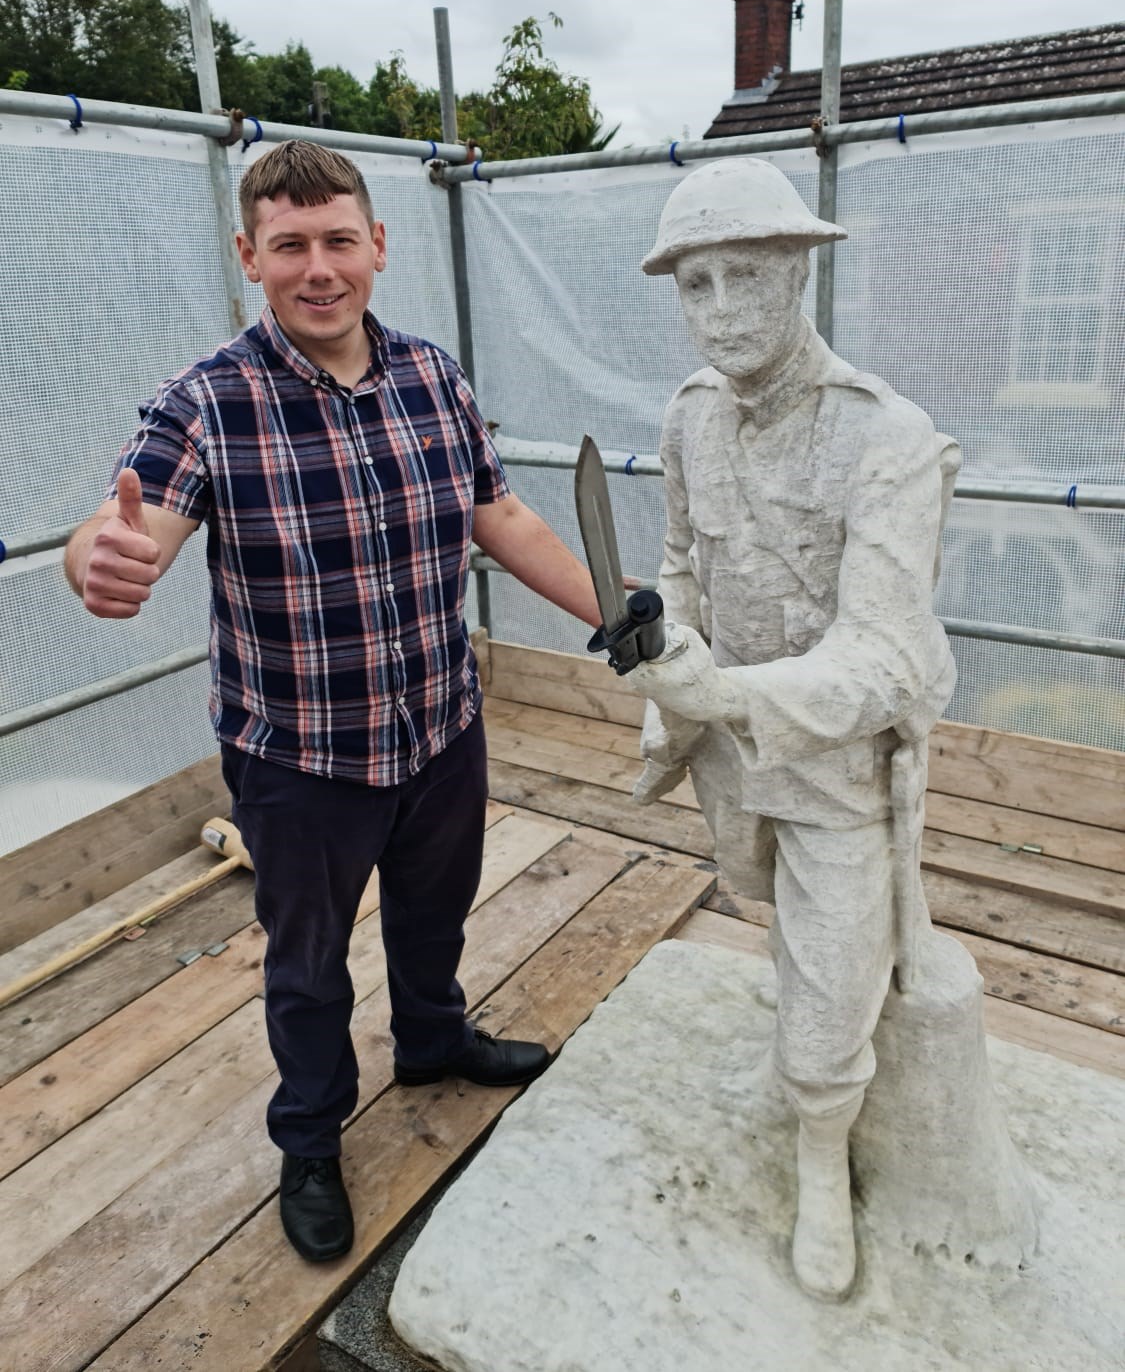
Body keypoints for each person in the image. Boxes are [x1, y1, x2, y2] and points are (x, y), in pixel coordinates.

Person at [64, 140, 601, 1263]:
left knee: (432, 913)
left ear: (378, 247)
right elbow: (134, 523)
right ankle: (310, 1138)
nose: (320, 269)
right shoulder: (206, 401)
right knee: (306, 965)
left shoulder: (432, 376)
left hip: (439, 725)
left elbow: (496, 515)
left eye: (339, 241)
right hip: (301, 757)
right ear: (250, 256)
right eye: (292, 245)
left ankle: (433, 1042)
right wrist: (100, 557)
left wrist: (614, 605)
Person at [628, 158, 960, 1301]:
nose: (718, 311)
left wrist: (729, 694)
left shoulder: (888, 436)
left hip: (834, 765)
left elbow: (886, 654)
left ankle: (824, 1149)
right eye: (696, 284)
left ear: (799, 272)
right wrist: (661, 640)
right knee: (773, 917)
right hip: (729, 756)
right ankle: (813, 1074)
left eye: (745, 278)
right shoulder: (686, 420)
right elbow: (679, 568)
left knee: (829, 987)